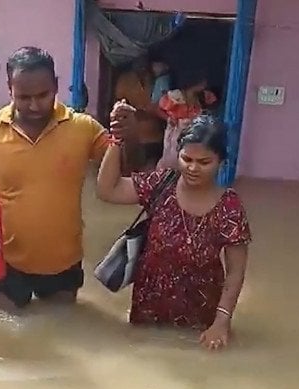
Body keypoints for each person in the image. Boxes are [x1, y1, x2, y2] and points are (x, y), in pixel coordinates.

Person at [0, 47, 126, 313]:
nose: (35, 105)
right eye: (24, 97)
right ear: (9, 88)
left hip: (62, 265)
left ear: (57, 86)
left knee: (58, 329)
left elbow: (125, 172)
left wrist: (126, 136)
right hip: (5, 263)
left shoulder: (83, 128)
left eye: (43, 95)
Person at [97, 109, 251, 350]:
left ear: (222, 162)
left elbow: (235, 271)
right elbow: (108, 190)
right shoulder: (161, 184)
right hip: (148, 308)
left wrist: (221, 322)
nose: (192, 168)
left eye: (204, 162)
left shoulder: (229, 206)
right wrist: (116, 140)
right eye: (186, 159)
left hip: (201, 316)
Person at [113, 56, 169, 171]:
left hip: (158, 137)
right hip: (138, 138)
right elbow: (121, 108)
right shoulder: (125, 81)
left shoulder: (161, 81)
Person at [156, 69, 218, 169]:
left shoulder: (203, 98)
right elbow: (160, 106)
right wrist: (171, 118)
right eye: (200, 85)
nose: (202, 88)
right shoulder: (176, 96)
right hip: (176, 134)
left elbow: (212, 105)